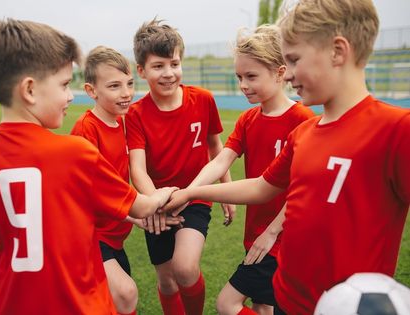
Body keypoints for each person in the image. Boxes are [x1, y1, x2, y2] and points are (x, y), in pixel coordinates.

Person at [163, 0, 410, 313]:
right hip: (289, 297)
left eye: (294, 60)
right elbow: (260, 187)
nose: (288, 74)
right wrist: (192, 192)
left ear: (337, 51)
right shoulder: (304, 135)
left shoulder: (396, 130)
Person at [0, 19, 176, 315]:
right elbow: (142, 207)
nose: (70, 95)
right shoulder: (74, 152)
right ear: (30, 90)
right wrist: (169, 193)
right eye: (63, 85)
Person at [181, 24, 314, 315]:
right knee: (263, 305)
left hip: (282, 237)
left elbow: (305, 185)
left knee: (228, 303)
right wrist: (188, 193)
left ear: (280, 73)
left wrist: (273, 231)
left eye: (251, 76)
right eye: (239, 76)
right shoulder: (247, 119)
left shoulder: (302, 119)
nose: (243, 84)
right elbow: (220, 161)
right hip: (256, 233)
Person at [125, 18, 234, 315]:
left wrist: (225, 189)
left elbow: (217, 148)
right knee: (168, 282)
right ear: (142, 71)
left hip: (195, 196)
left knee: (184, 269)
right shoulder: (135, 114)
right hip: (157, 201)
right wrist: (154, 204)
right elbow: (138, 169)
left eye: (174, 63)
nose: (168, 73)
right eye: (158, 66)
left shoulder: (203, 100)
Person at [70, 45, 183, 315]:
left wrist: (134, 218)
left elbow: (116, 186)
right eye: (114, 86)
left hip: (114, 236)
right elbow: (88, 193)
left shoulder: (124, 122)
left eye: (130, 83)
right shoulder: (86, 130)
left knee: (115, 303)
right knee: (125, 293)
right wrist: (148, 205)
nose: (126, 93)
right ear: (91, 91)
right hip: (88, 236)